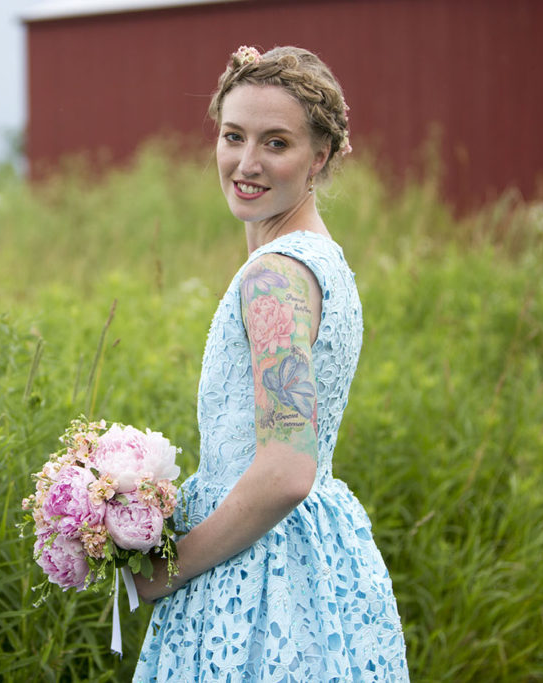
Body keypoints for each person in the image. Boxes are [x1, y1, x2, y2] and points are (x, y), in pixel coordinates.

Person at [131, 46, 410, 681]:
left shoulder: (276, 278)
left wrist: (167, 570)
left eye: (276, 143)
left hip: (262, 569)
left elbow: (286, 470)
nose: (246, 163)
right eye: (234, 136)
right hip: (315, 549)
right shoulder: (321, 258)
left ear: (321, 157)